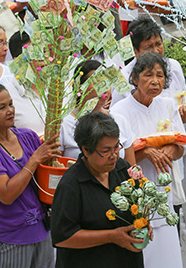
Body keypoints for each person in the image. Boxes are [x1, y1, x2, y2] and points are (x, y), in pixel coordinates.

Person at [0, 81, 60, 267]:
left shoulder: (28, 136)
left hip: (42, 232)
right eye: (1, 107)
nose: (10, 110)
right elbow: (6, 195)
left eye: (10, 104)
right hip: (8, 238)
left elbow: (43, 181)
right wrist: (34, 160)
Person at [110, 52, 184, 268]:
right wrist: (147, 152)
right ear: (134, 78)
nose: (155, 81)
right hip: (137, 203)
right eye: (148, 75)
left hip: (164, 198)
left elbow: (181, 148)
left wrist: (169, 151)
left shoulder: (168, 105)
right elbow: (118, 159)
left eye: (160, 76)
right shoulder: (119, 111)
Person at [52, 112, 146, 268]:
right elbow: (63, 237)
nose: (114, 155)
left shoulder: (123, 170)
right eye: (106, 150)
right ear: (86, 150)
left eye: (117, 147)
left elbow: (137, 207)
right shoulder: (72, 184)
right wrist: (112, 236)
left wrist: (143, 223)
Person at [111, 17, 186, 122]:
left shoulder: (174, 67)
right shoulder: (122, 78)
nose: (156, 51)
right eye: (149, 47)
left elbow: (181, 103)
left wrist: (182, 115)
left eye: (158, 44)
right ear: (135, 51)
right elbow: (118, 118)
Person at [60, 60, 136, 165]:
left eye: (107, 82)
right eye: (97, 83)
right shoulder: (63, 124)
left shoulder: (120, 120)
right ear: (79, 88)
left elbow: (131, 170)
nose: (104, 88)